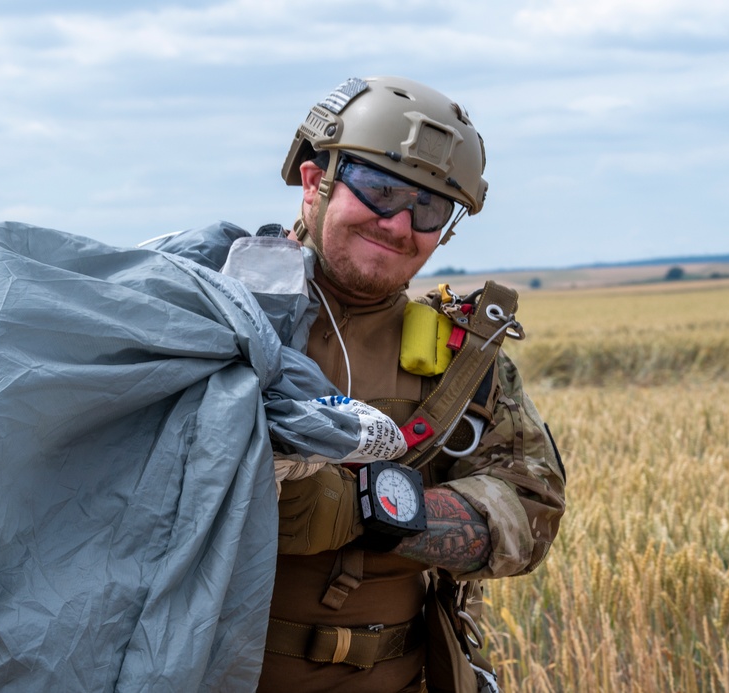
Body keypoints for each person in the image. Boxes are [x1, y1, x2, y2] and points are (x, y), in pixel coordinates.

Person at [255, 76, 567, 692]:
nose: (399, 224)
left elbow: (531, 511)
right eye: (379, 188)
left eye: (428, 208)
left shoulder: (460, 361)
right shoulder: (209, 315)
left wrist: (372, 513)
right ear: (316, 182)